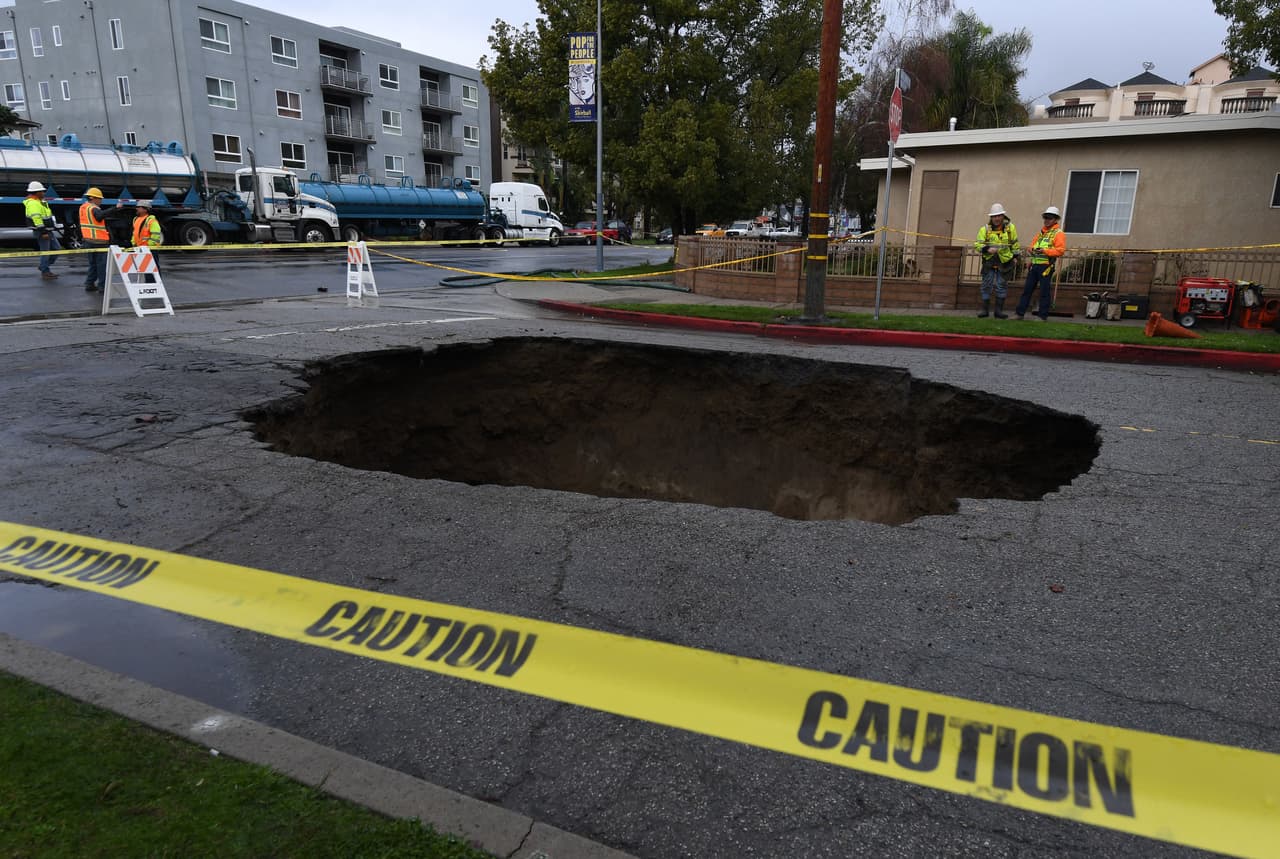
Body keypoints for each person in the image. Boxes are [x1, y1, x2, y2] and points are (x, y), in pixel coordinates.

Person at [1015, 205, 1066, 321]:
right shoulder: (1041, 233)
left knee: (1044, 292)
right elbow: (1031, 246)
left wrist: (1044, 251)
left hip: (1046, 266)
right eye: (1045, 217)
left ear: (1055, 219)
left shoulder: (1058, 233)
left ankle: (1042, 316)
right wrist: (1032, 251)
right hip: (1034, 265)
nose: (1047, 220)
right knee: (1027, 290)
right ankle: (1019, 314)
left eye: (1050, 218)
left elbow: (1060, 251)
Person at [973, 203, 1019, 318]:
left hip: (1005, 261)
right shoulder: (984, 229)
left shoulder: (1011, 228)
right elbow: (977, 245)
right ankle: (985, 311)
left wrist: (1015, 257)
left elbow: (1015, 244)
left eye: (999, 216)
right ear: (991, 217)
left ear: (1003, 216)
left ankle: (998, 312)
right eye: (994, 216)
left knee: (1001, 285)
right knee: (986, 285)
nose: (997, 218)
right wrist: (987, 249)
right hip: (989, 261)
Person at [24, 181, 61, 280]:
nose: (44, 193)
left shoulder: (40, 202)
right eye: (42, 191)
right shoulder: (33, 204)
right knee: (46, 252)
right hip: (42, 231)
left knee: (56, 249)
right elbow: (37, 219)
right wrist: (43, 232)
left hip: (47, 230)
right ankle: (45, 271)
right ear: (37, 192)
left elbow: (46, 215)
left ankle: (43, 267)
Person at [78, 188, 111, 293]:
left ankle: (89, 284)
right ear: (93, 198)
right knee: (101, 265)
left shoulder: (83, 207)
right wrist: (114, 209)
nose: (101, 201)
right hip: (99, 241)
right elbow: (99, 216)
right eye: (99, 198)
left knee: (93, 264)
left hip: (88, 240)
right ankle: (102, 287)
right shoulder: (93, 208)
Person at [131, 199, 164, 277]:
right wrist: (134, 243)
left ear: (145, 209)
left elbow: (156, 234)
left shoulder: (151, 220)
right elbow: (135, 233)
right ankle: (149, 283)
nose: (136, 208)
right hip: (141, 248)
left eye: (139, 207)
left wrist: (149, 245)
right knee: (146, 269)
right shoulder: (135, 219)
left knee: (153, 269)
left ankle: (156, 283)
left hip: (150, 249)